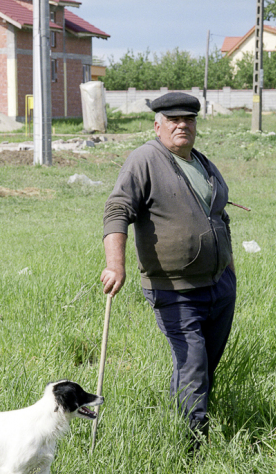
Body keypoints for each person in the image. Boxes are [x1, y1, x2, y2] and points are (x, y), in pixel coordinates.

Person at [101, 92, 236, 444]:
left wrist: (228, 265)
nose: (182, 125)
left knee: (204, 365)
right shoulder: (145, 160)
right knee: (192, 365)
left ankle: (185, 422)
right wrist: (116, 265)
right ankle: (192, 446)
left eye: (188, 119)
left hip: (219, 285)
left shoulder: (202, 162)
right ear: (157, 125)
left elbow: (220, 214)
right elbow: (117, 210)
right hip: (173, 288)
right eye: (174, 120)